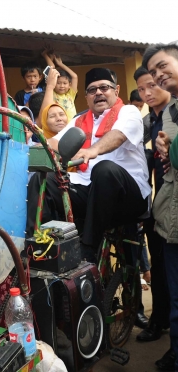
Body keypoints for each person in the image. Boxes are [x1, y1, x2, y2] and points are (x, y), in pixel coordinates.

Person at [26, 68, 151, 263]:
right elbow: (54, 142)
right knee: (44, 180)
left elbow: (118, 136)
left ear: (116, 91)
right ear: (86, 97)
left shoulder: (129, 111)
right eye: (92, 90)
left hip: (127, 197)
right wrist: (23, 148)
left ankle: (88, 247)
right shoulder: (78, 120)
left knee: (104, 170)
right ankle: (40, 245)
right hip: (90, 192)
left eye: (104, 87)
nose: (98, 93)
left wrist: (92, 150)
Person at [143, 42, 178, 371]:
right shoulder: (154, 121)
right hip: (163, 209)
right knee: (166, 282)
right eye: (148, 79)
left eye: (161, 69)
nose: (154, 82)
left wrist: (171, 147)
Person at [133, 66, 172, 347]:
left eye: (151, 86)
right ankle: (160, 320)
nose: (147, 93)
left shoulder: (173, 117)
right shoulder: (150, 121)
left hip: (173, 206)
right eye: (142, 89)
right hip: (157, 205)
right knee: (158, 267)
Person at [41, 49, 78, 119]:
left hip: (71, 126)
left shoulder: (71, 94)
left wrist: (61, 64)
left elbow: (74, 76)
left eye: (65, 83)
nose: (62, 86)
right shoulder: (51, 93)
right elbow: (51, 67)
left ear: (70, 85)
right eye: (58, 83)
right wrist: (45, 55)